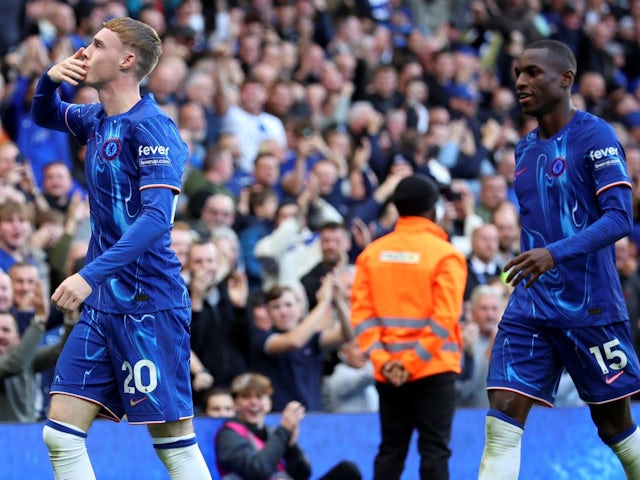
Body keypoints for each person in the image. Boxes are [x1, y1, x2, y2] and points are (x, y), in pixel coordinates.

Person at [31, 17, 212, 480]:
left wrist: (87, 274)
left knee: (172, 444)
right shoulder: (95, 120)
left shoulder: (153, 129)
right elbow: (44, 114)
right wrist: (47, 81)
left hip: (149, 301)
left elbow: (155, 220)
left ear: (127, 60)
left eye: (97, 45)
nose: (84, 52)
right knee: (60, 435)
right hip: (101, 304)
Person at [479, 39, 640, 479]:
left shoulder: (596, 135)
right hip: (531, 305)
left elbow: (619, 219)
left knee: (615, 425)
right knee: (501, 424)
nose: (520, 81)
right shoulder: (525, 149)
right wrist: (540, 255)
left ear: (565, 79)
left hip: (589, 306)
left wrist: (555, 253)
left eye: (532, 72)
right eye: (517, 72)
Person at [350, 173, 467, 480]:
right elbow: (445, 319)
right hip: (433, 369)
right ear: (433, 209)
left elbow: (361, 317)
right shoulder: (446, 255)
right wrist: (411, 362)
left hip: (388, 371)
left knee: (391, 450)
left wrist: (386, 362)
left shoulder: (371, 254)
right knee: (434, 451)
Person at [215, 372, 362, 480]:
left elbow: (302, 474)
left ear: (269, 404)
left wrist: (292, 447)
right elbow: (258, 471)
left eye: (259, 397)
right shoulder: (228, 435)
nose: (254, 402)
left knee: (347, 471)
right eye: (246, 397)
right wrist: (284, 430)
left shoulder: (272, 433)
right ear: (235, 403)